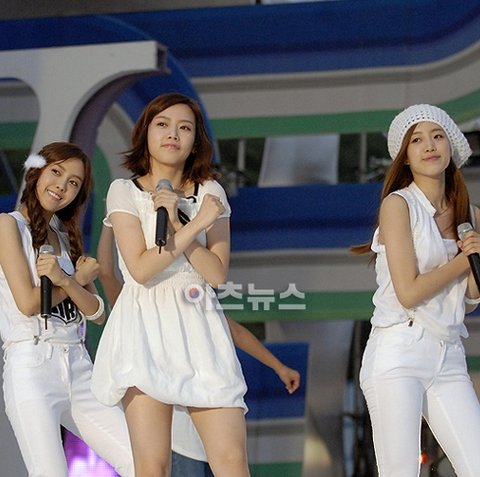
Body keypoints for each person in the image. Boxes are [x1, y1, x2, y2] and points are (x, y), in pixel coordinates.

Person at [91, 92, 251, 477]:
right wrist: (194, 225)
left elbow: (216, 274)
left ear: (195, 141)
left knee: (231, 461)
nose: (172, 134)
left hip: (199, 326)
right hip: (143, 326)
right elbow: (141, 269)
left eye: (184, 128)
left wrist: (179, 223)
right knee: (153, 466)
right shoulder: (124, 191)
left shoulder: (210, 193)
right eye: (162, 124)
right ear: (145, 133)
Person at [97, 222, 301, 476]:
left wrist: (279, 367)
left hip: (201, 432)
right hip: (173, 438)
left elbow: (235, 332)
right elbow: (106, 272)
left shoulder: (193, 308)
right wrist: (111, 223)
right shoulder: (135, 304)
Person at [351, 104, 480, 477]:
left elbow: (468, 301)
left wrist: (473, 266)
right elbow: (408, 292)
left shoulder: (470, 213)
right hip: (398, 351)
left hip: (448, 353)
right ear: (405, 156)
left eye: (437, 136)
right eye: (417, 140)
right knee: (401, 471)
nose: (430, 146)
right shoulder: (398, 205)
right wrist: (462, 260)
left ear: (450, 146)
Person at [0, 142, 134, 477]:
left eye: (73, 182)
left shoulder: (64, 238)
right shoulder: (8, 226)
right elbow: (29, 303)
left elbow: (97, 312)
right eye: (56, 172)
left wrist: (70, 281)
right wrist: (75, 279)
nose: (62, 186)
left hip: (78, 365)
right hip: (32, 364)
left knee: (139, 460)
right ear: (37, 172)